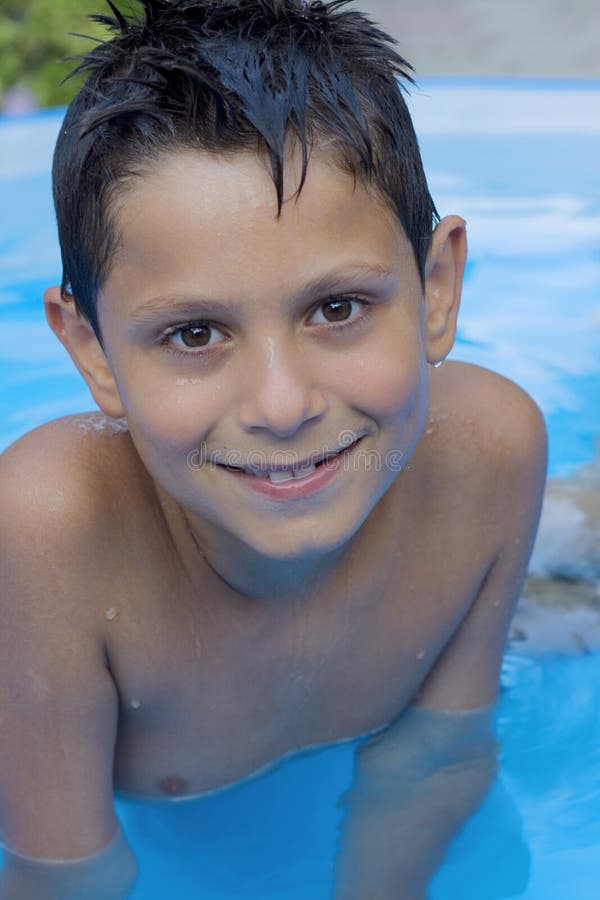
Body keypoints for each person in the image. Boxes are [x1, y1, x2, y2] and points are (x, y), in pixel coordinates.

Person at [0, 1, 547, 896]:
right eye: (193, 333)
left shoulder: (489, 452)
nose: (282, 405)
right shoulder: (52, 534)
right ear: (91, 348)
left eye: (337, 309)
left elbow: (436, 761)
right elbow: (60, 875)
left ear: (437, 287)